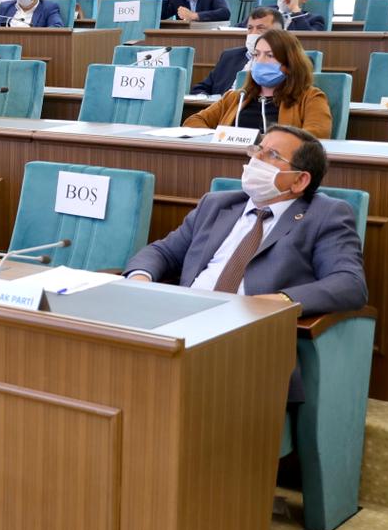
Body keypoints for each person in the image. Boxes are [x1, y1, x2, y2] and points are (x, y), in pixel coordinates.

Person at [124, 125, 367, 400]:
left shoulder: (326, 214)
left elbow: (349, 283)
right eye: (257, 150)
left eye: (271, 155)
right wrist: (140, 280)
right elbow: (163, 252)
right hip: (180, 322)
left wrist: (279, 301)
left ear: (299, 181)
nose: (256, 159)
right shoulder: (216, 204)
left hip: (247, 340)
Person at [186, 29, 331, 137]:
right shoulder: (235, 97)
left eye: (270, 55)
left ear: (290, 63)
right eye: (256, 54)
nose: (260, 61)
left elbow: (317, 134)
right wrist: (220, 137)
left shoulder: (310, 97)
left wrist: (267, 143)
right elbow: (193, 121)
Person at [191, 8, 282, 96]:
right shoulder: (229, 56)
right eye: (250, 28)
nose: (253, 33)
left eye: (260, 28)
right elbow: (201, 88)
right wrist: (205, 97)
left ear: (279, 32)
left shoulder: (280, 61)